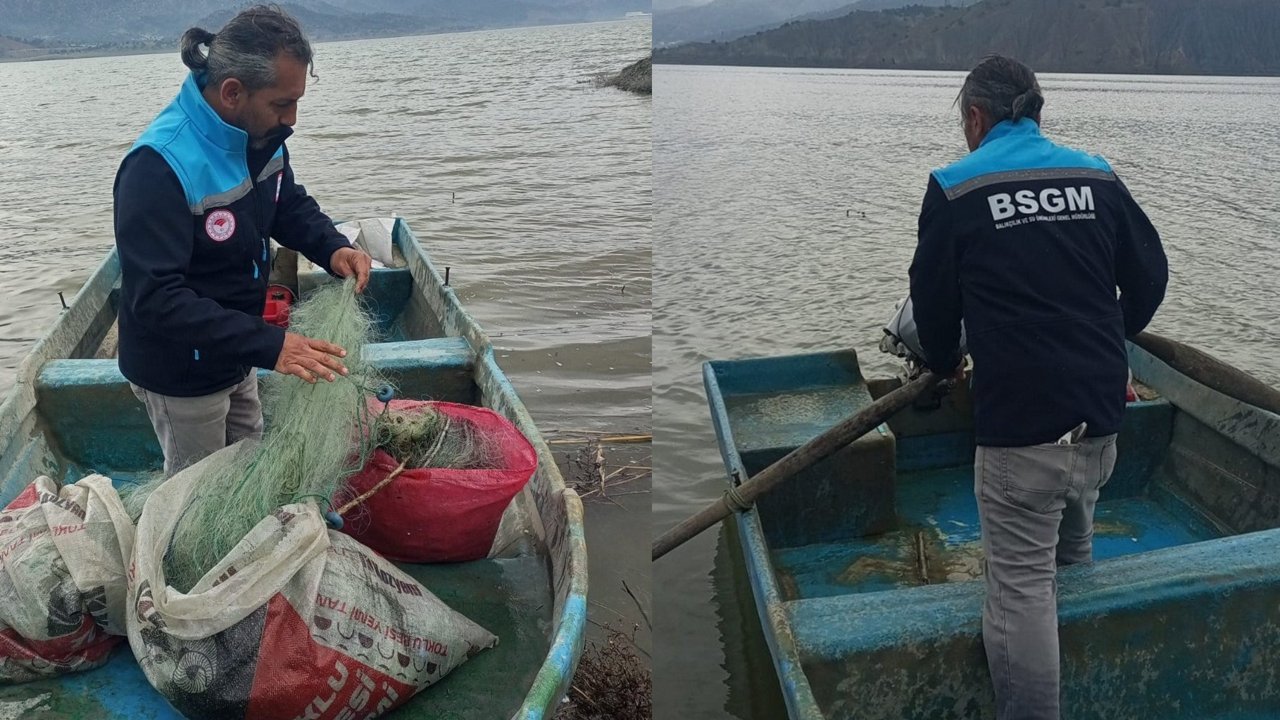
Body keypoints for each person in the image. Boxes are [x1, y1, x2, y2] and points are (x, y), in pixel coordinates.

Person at [908, 55, 1168, 720]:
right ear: (1037, 111)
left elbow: (934, 314)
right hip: (1102, 419)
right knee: (1073, 545)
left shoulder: (954, 188)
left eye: (964, 121)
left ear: (975, 117)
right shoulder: (1096, 175)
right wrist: (1109, 339)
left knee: (1019, 590)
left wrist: (944, 363)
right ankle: (1085, 682)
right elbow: (1150, 278)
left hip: (1024, 433)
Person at [114, 6, 373, 475]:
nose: (292, 117)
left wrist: (333, 247)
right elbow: (156, 300)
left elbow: (286, 202)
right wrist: (273, 345)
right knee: (198, 489)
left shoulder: (260, 135)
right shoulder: (158, 166)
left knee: (249, 460)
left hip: (239, 352)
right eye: (282, 104)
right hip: (182, 372)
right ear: (233, 92)